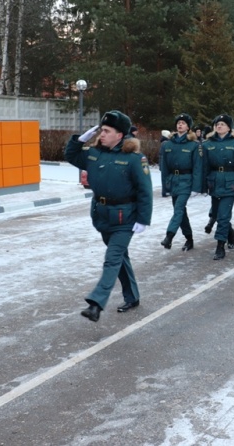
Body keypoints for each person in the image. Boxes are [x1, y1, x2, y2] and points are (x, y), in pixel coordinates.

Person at [65, 110, 153, 321]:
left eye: (106, 131)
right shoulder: (95, 153)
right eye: (101, 130)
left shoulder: (134, 159)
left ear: (120, 135)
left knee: (112, 259)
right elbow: (71, 156)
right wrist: (78, 140)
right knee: (120, 258)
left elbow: (145, 190)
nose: (101, 134)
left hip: (125, 218)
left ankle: (96, 303)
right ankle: (132, 297)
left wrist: (143, 219)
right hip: (102, 216)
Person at [202, 114, 234, 260]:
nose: (219, 126)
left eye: (222, 124)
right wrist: (202, 186)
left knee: (223, 216)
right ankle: (230, 233)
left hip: (230, 183)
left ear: (229, 127)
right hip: (214, 182)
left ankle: (220, 246)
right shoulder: (207, 144)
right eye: (217, 123)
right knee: (215, 214)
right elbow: (204, 167)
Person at [159, 113, 202, 252]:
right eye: (178, 122)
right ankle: (189, 239)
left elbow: (197, 167)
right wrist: (165, 186)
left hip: (186, 180)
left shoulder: (193, 145)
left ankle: (169, 236)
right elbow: (164, 167)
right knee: (181, 212)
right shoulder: (167, 144)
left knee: (178, 209)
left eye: (183, 123)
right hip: (173, 180)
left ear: (188, 127)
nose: (180, 124)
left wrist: (196, 187)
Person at [158, 129, 171, 198]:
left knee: (165, 177)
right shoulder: (165, 143)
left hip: (163, 162)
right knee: (166, 177)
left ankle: (165, 191)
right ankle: (166, 191)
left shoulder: (163, 142)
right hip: (164, 162)